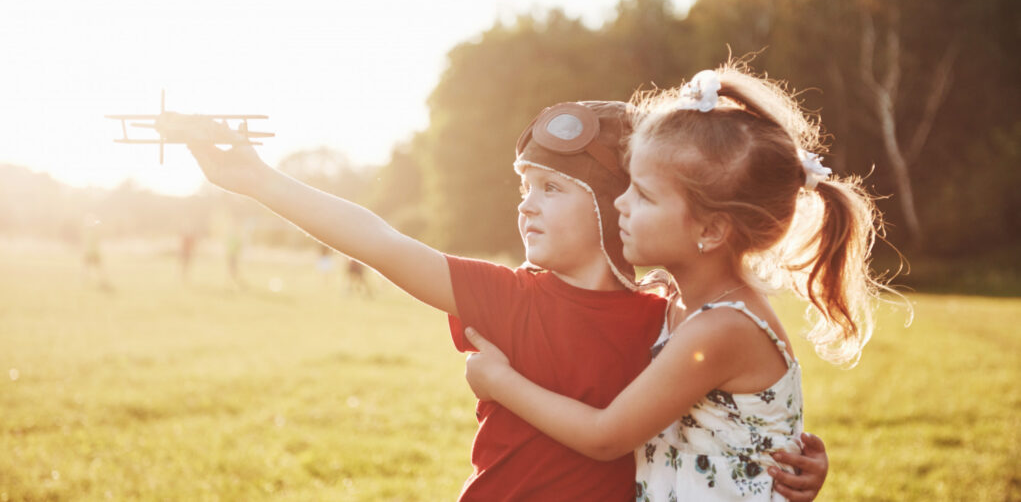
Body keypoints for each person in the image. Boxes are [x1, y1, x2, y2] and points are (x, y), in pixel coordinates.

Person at [178, 97, 826, 501]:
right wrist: (254, 179)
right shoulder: (504, 298)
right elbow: (380, 242)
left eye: (551, 187)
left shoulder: (671, 316)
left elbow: (723, 423)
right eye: (525, 185)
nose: (526, 203)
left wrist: (787, 464)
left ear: (613, 201)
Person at [465, 66, 890, 501]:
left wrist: (499, 382)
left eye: (644, 195)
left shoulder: (722, 328)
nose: (619, 203)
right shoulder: (673, 303)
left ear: (711, 231)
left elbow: (605, 437)